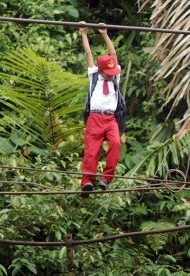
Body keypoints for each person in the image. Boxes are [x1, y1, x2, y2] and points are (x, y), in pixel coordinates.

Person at [79, 21, 125, 198]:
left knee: (115, 144)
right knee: (92, 150)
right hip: (95, 118)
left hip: (111, 118)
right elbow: (88, 52)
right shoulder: (94, 76)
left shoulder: (115, 78)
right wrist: (84, 32)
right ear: (100, 70)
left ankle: (106, 179)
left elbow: (113, 53)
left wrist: (104, 33)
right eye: (108, 72)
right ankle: (87, 182)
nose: (111, 75)